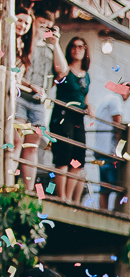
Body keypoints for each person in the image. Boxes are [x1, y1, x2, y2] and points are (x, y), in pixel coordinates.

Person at [16, 6, 67, 191]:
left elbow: (63, 71)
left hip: (38, 102)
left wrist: (55, 43)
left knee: (32, 144)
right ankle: (9, 181)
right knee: (16, 139)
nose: (44, 28)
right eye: (41, 24)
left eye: (48, 25)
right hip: (21, 96)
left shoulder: (50, 48)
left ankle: (28, 188)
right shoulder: (24, 44)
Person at [48, 36, 90, 204]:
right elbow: (58, 76)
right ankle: (61, 197)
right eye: (74, 46)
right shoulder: (65, 70)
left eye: (81, 46)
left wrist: (89, 106)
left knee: (77, 160)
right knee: (63, 156)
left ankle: (69, 197)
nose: (77, 49)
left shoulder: (86, 75)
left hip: (78, 118)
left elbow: (83, 96)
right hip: (63, 115)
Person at [91, 80, 130, 211]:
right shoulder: (116, 100)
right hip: (109, 151)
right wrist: (120, 149)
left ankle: (103, 211)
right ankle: (116, 212)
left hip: (100, 149)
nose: (126, 94)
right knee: (117, 186)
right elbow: (118, 126)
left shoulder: (106, 99)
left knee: (104, 186)